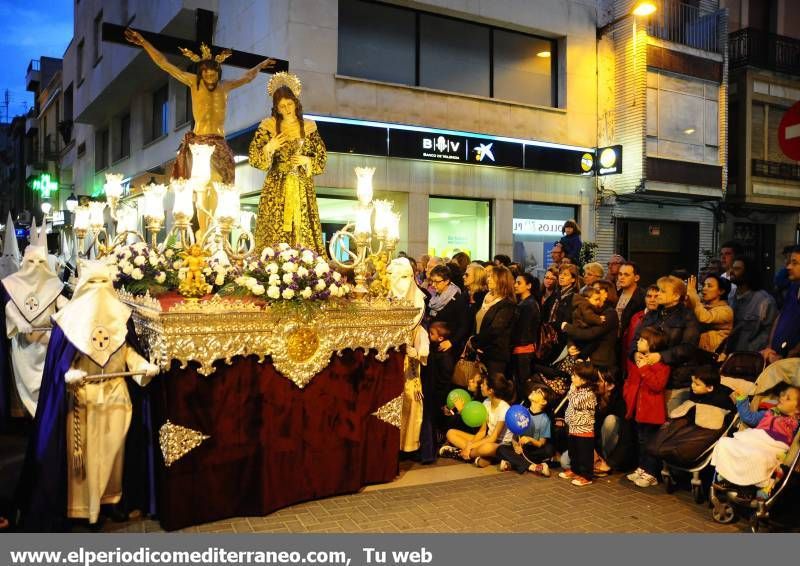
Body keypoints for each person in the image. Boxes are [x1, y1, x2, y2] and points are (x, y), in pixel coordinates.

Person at [16, 262, 159, 530]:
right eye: (92, 285)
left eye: (103, 285)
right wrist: (66, 373)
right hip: (83, 400)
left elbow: (126, 351)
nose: (99, 292)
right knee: (87, 459)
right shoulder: (68, 320)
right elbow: (59, 360)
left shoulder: (121, 316)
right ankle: (84, 509)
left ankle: (110, 502)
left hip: (117, 395)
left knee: (114, 455)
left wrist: (142, 367)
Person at [124, 30, 275, 234]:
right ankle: (203, 230)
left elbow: (248, 77)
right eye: (205, 72)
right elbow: (164, 63)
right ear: (201, 72)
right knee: (202, 189)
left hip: (220, 142)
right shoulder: (192, 83)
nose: (209, 76)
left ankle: (213, 229)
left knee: (221, 187)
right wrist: (144, 43)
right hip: (200, 145)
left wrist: (261, 65)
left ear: (218, 73)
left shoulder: (226, 86)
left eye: (213, 72)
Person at [249, 73, 327, 255]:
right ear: (276, 108)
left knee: (301, 224)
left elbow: (321, 156)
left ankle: (305, 263)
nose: (287, 109)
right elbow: (254, 156)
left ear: (296, 102)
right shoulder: (268, 126)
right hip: (277, 186)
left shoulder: (309, 126)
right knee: (275, 225)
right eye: (282, 106)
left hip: (301, 184)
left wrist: (307, 160)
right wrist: (270, 147)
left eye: (289, 104)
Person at [0, 231, 67, 418]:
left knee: (45, 383)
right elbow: (9, 307)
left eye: (40, 262)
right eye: (31, 261)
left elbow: (62, 304)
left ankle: (44, 417)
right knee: (25, 384)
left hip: (46, 344)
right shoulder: (11, 284)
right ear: (24, 262)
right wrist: (20, 322)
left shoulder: (53, 284)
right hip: (24, 346)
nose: (36, 266)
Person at [633, 275, 700, 413]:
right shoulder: (652, 314)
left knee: (668, 426)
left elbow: (688, 347)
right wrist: (635, 353)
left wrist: (661, 356)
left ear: (676, 296)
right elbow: (636, 339)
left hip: (675, 381)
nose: (657, 294)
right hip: (649, 377)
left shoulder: (687, 316)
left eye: (663, 291)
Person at [711, 385, 800, 488]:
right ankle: (727, 472)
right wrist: (742, 399)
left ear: (798, 409)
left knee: (760, 458)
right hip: (754, 440)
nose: (782, 398)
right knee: (724, 442)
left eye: (788, 398)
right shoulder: (768, 413)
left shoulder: (796, 424)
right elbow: (749, 418)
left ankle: (759, 483)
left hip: (771, 448)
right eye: (783, 395)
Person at [624, 327, 670, 488]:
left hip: (651, 411)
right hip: (638, 408)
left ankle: (651, 473)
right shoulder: (638, 359)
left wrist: (644, 368)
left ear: (653, 344)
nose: (638, 341)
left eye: (643, 340)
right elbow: (631, 380)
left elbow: (657, 385)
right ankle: (642, 468)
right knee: (640, 440)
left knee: (650, 442)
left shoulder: (661, 364)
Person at [439, 372, 515, 467]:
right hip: (487, 439)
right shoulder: (486, 403)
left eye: (483, 384)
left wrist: (470, 446)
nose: (481, 386)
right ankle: (480, 456)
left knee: (485, 448)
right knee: (450, 433)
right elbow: (482, 432)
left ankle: (460, 454)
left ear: (490, 390)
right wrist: (470, 445)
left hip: (500, 445)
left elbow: (493, 437)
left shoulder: (504, 408)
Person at [469, 266, 517, 376]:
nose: (488, 279)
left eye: (492, 277)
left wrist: (476, 342)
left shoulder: (507, 304)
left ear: (502, 280)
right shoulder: (486, 298)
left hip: (495, 355)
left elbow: (496, 329)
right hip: (480, 350)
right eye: (489, 276)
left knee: (493, 388)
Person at [558, 360, 599, 486]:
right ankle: (575, 470)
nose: (572, 377)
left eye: (575, 376)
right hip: (573, 428)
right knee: (573, 452)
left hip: (584, 431)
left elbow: (575, 401)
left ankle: (587, 476)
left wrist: (573, 389)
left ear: (584, 380)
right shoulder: (577, 389)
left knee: (584, 455)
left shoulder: (589, 394)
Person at [496, 386, 553, 476]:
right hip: (521, 448)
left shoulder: (545, 419)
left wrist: (530, 439)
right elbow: (514, 437)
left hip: (534, 450)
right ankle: (534, 467)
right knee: (500, 449)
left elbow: (541, 443)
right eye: (535, 390)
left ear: (543, 402)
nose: (534, 391)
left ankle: (513, 464)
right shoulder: (521, 412)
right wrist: (515, 446)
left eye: (539, 392)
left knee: (548, 450)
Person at [727, 256, 777, 354]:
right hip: (728, 354)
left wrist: (751, 350)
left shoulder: (765, 301)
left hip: (750, 357)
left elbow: (768, 332)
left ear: (747, 273)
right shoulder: (731, 295)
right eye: (732, 268)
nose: (732, 271)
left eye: (737, 269)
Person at [761, 246, 800, 364]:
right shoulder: (793, 287)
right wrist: (770, 346)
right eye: (789, 262)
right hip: (776, 357)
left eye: (795, 263)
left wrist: (791, 355)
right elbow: (781, 316)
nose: (788, 267)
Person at [685, 273, 733, 357]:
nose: (704, 288)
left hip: (714, 358)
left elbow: (704, 318)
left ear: (721, 291)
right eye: (704, 285)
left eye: (709, 286)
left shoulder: (726, 311)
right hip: (698, 354)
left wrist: (693, 294)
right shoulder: (702, 306)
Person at [511, 273, 540, 392]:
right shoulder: (524, 303)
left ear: (529, 286)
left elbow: (525, 331)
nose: (515, 285)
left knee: (523, 384)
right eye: (515, 282)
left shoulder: (529, 305)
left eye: (519, 283)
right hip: (522, 349)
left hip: (523, 350)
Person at [615, 261, 645, 337]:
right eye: (620, 274)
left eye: (626, 275)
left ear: (636, 278)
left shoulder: (643, 297)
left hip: (631, 339)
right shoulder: (615, 294)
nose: (621, 277)